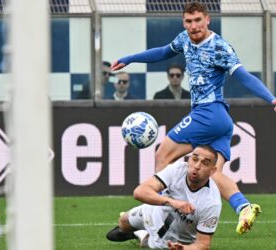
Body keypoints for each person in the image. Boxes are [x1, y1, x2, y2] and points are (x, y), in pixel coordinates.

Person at [111, 1, 276, 234]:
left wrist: (272, 99)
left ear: (208, 20)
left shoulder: (220, 47)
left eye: (198, 20)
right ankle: (244, 206)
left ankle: (157, 217)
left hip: (207, 113)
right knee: (213, 172)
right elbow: (163, 52)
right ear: (184, 23)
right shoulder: (184, 38)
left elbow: (244, 77)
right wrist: (130, 58)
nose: (193, 26)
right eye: (188, 21)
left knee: (162, 155)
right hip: (220, 119)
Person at [106, 145, 221, 249]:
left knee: (147, 245)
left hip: (177, 239)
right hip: (154, 212)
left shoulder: (211, 202)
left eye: (205, 163)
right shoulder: (177, 170)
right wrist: (173, 203)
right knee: (122, 222)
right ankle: (139, 231)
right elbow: (139, 192)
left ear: (212, 171)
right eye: (194, 159)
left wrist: (184, 248)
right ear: (189, 159)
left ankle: (142, 235)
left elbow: (203, 245)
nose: (197, 166)